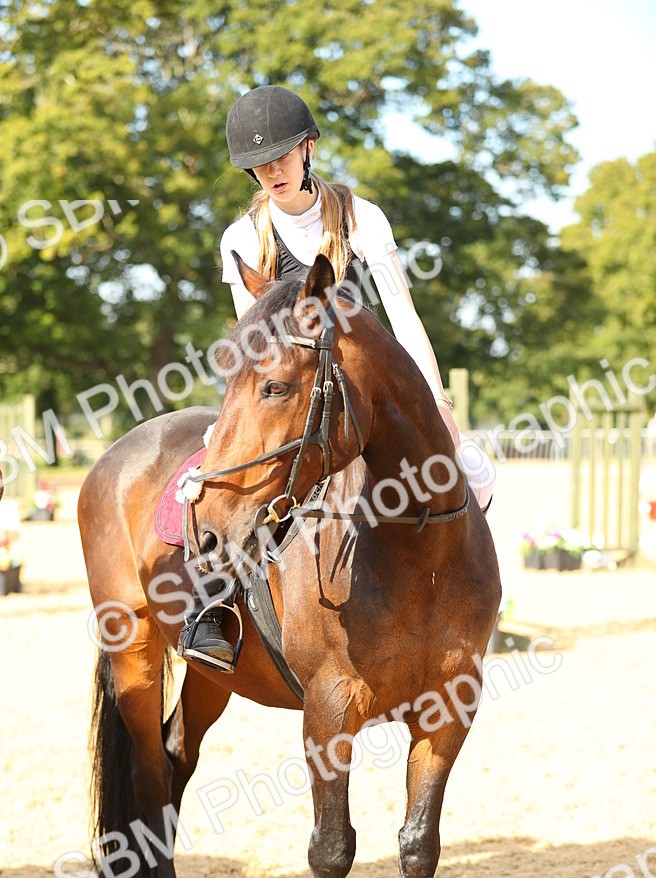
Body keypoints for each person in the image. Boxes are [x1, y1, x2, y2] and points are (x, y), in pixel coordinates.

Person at [178, 85, 493, 670]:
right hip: (286, 392)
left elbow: (403, 315)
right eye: (258, 163)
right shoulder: (242, 239)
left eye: (281, 155)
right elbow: (250, 345)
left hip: (357, 389)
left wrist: (440, 403)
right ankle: (215, 608)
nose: (271, 170)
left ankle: (463, 599)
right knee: (207, 485)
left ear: (309, 149)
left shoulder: (360, 218)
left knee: (475, 472)